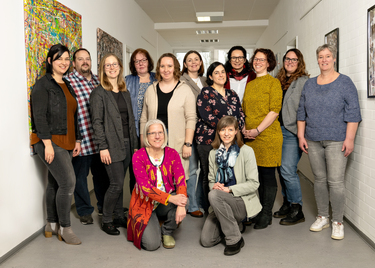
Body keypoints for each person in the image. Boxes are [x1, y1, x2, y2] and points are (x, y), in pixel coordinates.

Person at [297, 44, 361, 240]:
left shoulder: (344, 82)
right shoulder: (309, 84)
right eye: (321, 56)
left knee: (335, 182)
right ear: (317, 60)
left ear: (334, 59)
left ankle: (338, 221)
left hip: (337, 140)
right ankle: (323, 216)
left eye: (328, 56)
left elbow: (353, 113)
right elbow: (301, 112)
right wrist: (301, 136)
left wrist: (349, 139)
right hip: (313, 139)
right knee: (320, 180)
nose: (324, 60)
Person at [30, 44, 82, 245]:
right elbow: (39, 116)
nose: (64, 62)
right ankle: (64, 227)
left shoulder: (67, 84)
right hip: (49, 141)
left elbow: (72, 114)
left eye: (67, 59)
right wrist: (47, 144)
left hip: (67, 140)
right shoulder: (43, 85)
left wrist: (77, 139)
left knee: (54, 183)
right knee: (68, 182)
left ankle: (50, 224)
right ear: (50, 61)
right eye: (59, 58)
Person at [90, 53, 138, 236]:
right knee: (116, 184)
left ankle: (118, 215)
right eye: (107, 65)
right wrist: (103, 147)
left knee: (123, 181)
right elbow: (97, 123)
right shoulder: (99, 93)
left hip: (127, 143)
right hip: (110, 145)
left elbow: (130, 120)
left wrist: (134, 145)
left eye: (115, 64)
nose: (112, 68)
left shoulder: (124, 92)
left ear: (120, 67)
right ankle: (107, 219)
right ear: (103, 69)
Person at [200, 116, 261, 256]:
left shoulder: (246, 151)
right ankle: (233, 225)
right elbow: (210, 180)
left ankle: (234, 239)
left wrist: (229, 189)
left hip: (241, 201)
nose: (226, 133)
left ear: (236, 132)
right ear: (218, 132)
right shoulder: (213, 153)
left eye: (230, 129)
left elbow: (254, 183)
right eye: (223, 130)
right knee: (206, 240)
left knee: (214, 195)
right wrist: (214, 186)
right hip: (220, 202)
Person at [127, 119, 188, 250]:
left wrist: (181, 205)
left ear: (165, 134)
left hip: (164, 203)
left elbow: (181, 180)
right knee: (151, 245)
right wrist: (172, 198)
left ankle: (167, 230)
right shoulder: (138, 156)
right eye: (152, 133)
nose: (157, 136)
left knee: (184, 199)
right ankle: (149, 222)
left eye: (160, 132)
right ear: (146, 136)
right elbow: (146, 188)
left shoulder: (172, 154)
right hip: (145, 203)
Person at [66, 48, 109, 224]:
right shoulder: (67, 81)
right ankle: (84, 211)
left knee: (102, 177)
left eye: (88, 59)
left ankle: (103, 207)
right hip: (81, 140)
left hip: (99, 140)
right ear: (74, 63)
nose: (85, 62)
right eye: (80, 59)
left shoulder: (99, 81)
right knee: (80, 179)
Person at [195, 62, 245, 212]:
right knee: (209, 174)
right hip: (208, 139)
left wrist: (235, 129)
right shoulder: (205, 93)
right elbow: (206, 115)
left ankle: (227, 206)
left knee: (228, 172)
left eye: (223, 72)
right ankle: (209, 208)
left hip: (230, 141)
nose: (221, 75)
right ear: (210, 76)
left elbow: (241, 114)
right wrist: (227, 130)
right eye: (216, 72)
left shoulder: (232, 94)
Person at [242, 48, 282, 229]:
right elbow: (244, 110)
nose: (257, 62)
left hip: (268, 136)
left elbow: (274, 111)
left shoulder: (273, 83)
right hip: (250, 137)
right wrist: (244, 128)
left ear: (269, 63)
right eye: (255, 59)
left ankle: (266, 214)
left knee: (267, 175)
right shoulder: (250, 84)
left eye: (262, 59)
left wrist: (257, 130)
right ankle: (257, 211)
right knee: (254, 175)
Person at [140, 53, 196, 178]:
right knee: (156, 178)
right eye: (162, 66)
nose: (166, 70)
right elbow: (144, 118)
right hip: (154, 141)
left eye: (169, 66)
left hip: (177, 142)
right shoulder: (150, 90)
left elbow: (191, 118)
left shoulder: (185, 90)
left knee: (177, 179)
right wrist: (143, 143)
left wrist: (188, 144)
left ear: (175, 68)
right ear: (158, 69)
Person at [273, 48, 309, 225]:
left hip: (292, 131)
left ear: (299, 62)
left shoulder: (304, 82)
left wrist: (303, 133)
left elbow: (307, 108)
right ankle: (287, 203)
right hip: (277, 130)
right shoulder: (278, 80)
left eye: (294, 60)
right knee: (281, 169)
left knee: (288, 169)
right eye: (287, 59)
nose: (290, 62)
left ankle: (297, 208)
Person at [180, 50, 208, 218]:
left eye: (196, 59)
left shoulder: (206, 81)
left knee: (204, 170)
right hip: (189, 129)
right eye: (189, 60)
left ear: (200, 62)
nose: (193, 62)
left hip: (205, 132)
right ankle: (191, 205)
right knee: (190, 170)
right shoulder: (181, 81)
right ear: (185, 64)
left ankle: (201, 201)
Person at [125, 49, 157, 193]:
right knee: (136, 166)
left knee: (155, 164)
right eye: (136, 61)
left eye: (143, 60)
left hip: (155, 129)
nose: (140, 63)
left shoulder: (158, 78)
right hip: (134, 130)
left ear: (149, 61)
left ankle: (156, 199)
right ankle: (136, 200)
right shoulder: (127, 80)